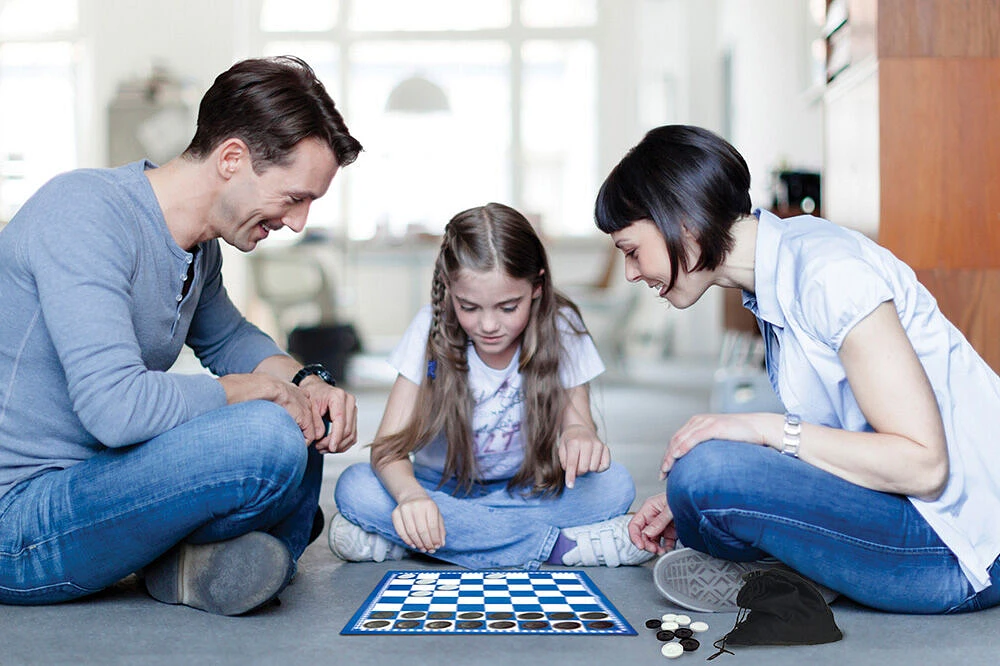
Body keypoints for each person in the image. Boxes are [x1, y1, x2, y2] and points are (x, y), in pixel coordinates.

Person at [0, 56, 363, 616]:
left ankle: (189, 567)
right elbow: (115, 408)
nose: (298, 223)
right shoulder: (84, 214)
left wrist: (305, 382)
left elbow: (230, 339)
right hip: (22, 517)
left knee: (305, 418)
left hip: (101, 487)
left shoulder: (199, 247)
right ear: (232, 158)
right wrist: (259, 391)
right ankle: (200, 555)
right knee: (268, 437)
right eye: (294, 197)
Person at [594, 124, 1000, 614]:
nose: (632, 273)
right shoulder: (778, 271)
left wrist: (762, 430)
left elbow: (924, 466)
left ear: (682, 221)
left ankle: (797, 568)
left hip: (959, 549)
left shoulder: (830, 275)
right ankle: (799, 567)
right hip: (905, 514)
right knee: (694, 482)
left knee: (707, 470)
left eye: (632, 250)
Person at [330, 203, 652, 568]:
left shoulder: (562, 326)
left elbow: (580, 426)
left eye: (507, 307)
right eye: (469, 307)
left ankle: (417, 541)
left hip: (528, 488)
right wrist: (410, 498)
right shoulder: (429, 328)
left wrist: (579, 436)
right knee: (355, 486)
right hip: (441, 488)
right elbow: (388, 450)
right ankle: (561, 548)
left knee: (615, 484)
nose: (488, 325)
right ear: (449, 291)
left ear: (537, 287)